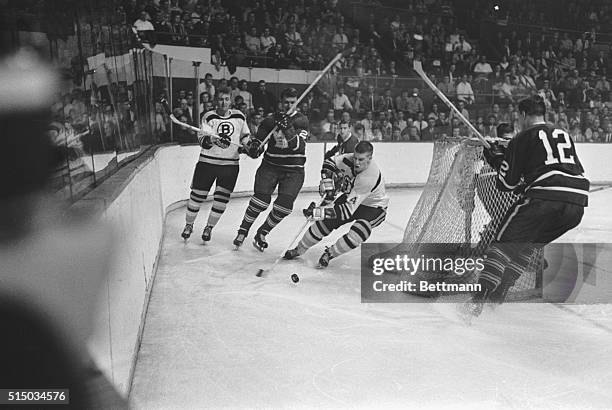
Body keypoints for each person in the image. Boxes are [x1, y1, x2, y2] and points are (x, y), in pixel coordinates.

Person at [462, 95, 590, 321]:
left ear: (522, 115)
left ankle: (476, 303)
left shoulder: (523, 137)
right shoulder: (563, 134)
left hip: (544, 199)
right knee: (528, 246)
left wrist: (496, 159)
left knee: (501, 247)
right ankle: (500, 293)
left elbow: (506, 184)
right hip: (576, 205)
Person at [283, 141, 389, 267]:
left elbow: (345, 212)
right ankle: (299, 249)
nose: (356, 162)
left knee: (360, 231)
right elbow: (328, 163)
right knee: (325, 223)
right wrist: (328, 185)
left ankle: (330, 253)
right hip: (351, 198)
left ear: (370, 159)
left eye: (361, 159)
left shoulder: (368, 177)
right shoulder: (348, 158)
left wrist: (318, 212)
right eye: (355, 158)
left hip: (374, 208)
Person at [234, 87, 310, 251]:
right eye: (286, 102)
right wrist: (253, 149)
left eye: (292, 102)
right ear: (281, 102)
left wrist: (288, 128)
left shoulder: (302, 121)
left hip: (293, 170)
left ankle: (262, 232)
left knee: (284, 206)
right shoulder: (269, 121)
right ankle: (243, 230)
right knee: (260, 201)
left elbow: (298, 146)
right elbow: (258, 146)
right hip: (270, 166)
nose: (289, 105)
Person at [180, 86, 252, 242]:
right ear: (215, 100)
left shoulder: (239, 116)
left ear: (231, 100)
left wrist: (248, 146)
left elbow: (245, 136)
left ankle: (209, 228)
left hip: (230, 166)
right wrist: (213, 139)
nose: (223, 102)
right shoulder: (208, 116)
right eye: (220, 99)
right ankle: (189, 225)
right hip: (207, 164)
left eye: (226, 99)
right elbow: (202, 141)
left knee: (221, 199)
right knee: (197, 196)